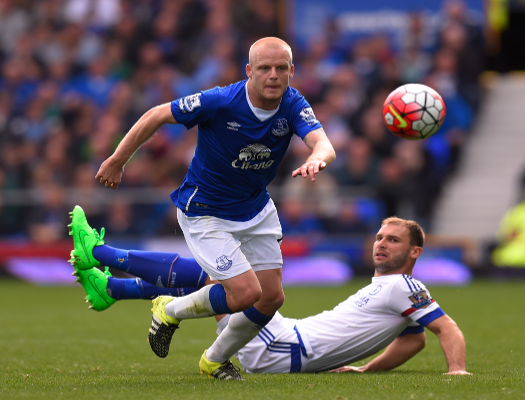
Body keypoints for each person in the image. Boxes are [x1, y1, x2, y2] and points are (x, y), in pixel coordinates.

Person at [67, 37, 336, 380]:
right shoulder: (221, 100)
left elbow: (324, 143)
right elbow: (156, 114)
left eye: (281, 68)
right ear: (249, 71)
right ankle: (168, 309)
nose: (273, 75)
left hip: (254, 209)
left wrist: (317, 158)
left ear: (291, 71)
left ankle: (214, 359)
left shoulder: (293, 104)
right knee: (244, 293)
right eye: (265, 68)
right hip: (206, 210)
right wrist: (118, 160)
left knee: (270, 298)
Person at [70, 217, 469, 376]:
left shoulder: (406, 287)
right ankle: (112, 288)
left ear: (414, 252)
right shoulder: (390, 291)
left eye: (393, 240)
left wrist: (457, 371)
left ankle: (104, 256)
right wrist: (366, 371)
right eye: (380, 237)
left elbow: (445, 329)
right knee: (221, 279)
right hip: (283, 338)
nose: (381, 244)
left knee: (221, 276)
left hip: (280, 347)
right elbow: (413, 338)